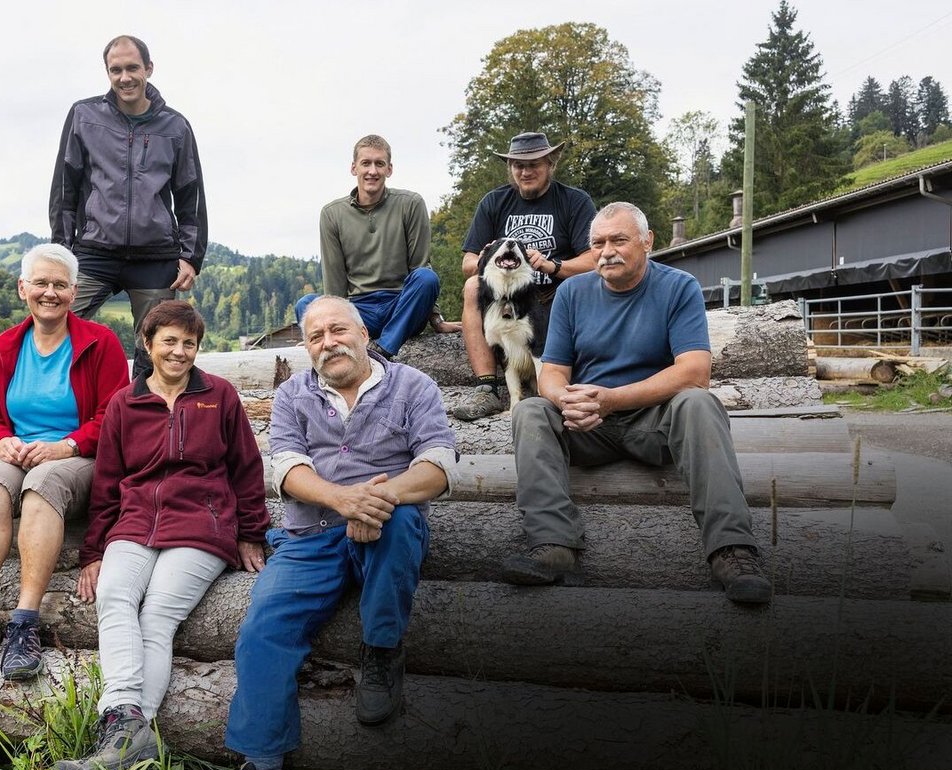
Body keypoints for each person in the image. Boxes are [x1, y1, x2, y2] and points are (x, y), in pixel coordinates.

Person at [225, 296, 457, 770]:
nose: (328, 343)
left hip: (389, 519)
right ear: (307, 347)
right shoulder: (292, 395)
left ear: (364, 334)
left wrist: (379, 498)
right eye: (315, 337)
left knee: (398, 524)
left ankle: (381, 651)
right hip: (309, 534)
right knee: (263, 626)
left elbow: (438, 466)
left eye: (338, 330)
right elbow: (286, 469)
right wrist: (342, 500)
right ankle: (262, 764)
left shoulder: (413, 386)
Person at [504, 202, 772, 605]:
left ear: (647, 242)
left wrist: (613, 400)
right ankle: (553, 545)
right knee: (531, 411)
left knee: (699, 403)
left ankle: (732, 551)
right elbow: (552, 374)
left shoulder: (678, 287)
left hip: (654, 425)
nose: (606, 251)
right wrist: (566, 398)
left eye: (619, 240)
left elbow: (694, 371)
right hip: (589, 426)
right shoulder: (572, 293)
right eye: (598, 243)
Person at [53, 301, 269, 770]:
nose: (179, 351)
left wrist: (251, 531)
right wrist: (93, 553)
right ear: (147, 345)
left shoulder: (219, 395)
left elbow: (246, 467)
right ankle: (130, 731)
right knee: (113, 597)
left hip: (202, 524)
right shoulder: (124, 404)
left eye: (188, 343)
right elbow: (108, 483)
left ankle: (122, 738)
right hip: (134, 525)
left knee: (157, 616)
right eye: (169, 341)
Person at [0, 244, 129, 685]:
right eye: (41, 283)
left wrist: (66, 444)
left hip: (78, 459)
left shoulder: (100, 342)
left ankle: (25, 621)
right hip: (19, 451)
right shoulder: (6, 345)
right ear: (22, 288)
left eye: (60, 285)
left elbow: (113, 416)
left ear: (74, 291)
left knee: (42, 483)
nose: (50, 292)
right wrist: (1, 441)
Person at [49, 33, 206, 378]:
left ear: (149, 69)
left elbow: (190, 194)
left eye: (132, 68)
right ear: (107, 73)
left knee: (158, 350)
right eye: (115, 70)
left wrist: (190, 256)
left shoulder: (176, 127)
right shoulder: (84, 115)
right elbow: (65, 185)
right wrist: (61, 254)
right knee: (54, 325)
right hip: (93, 250)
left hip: (155, 257)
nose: (124, 77)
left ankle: (145, 418)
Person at [451, 131, 599, 421]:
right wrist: (486, 258)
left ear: (550, 164)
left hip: (555, 298)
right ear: (510, 167)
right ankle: (487, 388)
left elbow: (595, 259)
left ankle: (565, 385)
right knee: (471, 286)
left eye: (534, 164)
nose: (525, 171)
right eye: (518, 164)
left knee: (587, 287)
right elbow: (468, 262)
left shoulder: (573, 201)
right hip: (508, 304)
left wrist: (554, 267)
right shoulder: (494, 202)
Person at [294, 134, 458, 360]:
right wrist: (328, 323)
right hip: (359, 311)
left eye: (379, 164)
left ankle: (382, 350)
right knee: (306, 304)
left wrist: (436, 320)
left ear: (389, 169)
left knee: (426, 277)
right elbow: (335, 284)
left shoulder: (410, 204)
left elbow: (420, 266)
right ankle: (355, 342)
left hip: (401, 306)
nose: (372, 171)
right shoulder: (332, 214)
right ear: (354, 168)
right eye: (366, 163)